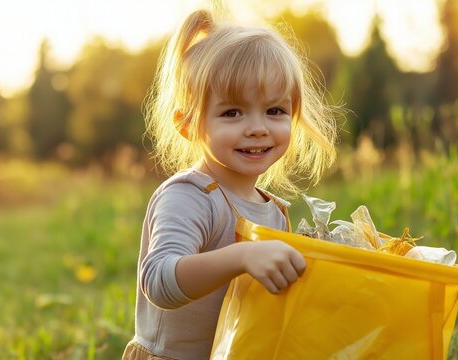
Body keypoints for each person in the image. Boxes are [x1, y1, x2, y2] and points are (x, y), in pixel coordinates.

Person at [122, 8, 338, 360]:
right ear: (188, 124)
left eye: (275, 111)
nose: (257, 127)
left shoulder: (274, 210)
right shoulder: (189, 196)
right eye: (232, 112)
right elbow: (159, 282)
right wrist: (243, 255)